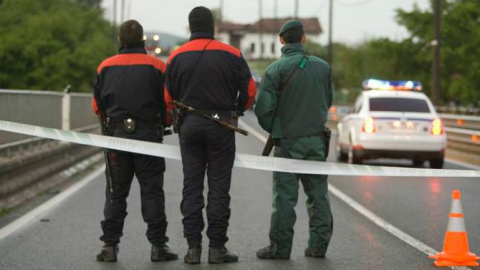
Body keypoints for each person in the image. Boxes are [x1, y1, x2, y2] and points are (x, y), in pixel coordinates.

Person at [164, 6, 257, 264]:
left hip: (190, 125)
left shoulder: (176, 56)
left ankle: (193, 249)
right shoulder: (232, 54)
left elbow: (167, 98)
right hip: (221, 124)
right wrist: (237, 109)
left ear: (191, 26)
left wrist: (175, 116)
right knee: (219, 189)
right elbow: (250, 91)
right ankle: (217, 249)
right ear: (212, 26)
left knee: (191, 188)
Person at [92, 20, 177, 262]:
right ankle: (158, 246)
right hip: (149, 137)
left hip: (117, 139)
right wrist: (165, 121)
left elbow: (97, 106)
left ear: (120, 41)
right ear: (143, 41)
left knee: (115, 192)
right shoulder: (158, 66)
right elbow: (168, 104)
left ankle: (109, 246)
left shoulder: (104, 67)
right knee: (152, 192)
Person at [254, 20, 334, 260]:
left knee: (285, 198)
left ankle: (280, 248)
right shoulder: (323, 67)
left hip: (288, 143)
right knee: (318, 195)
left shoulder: (275, 70)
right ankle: (318, 247)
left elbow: (262, 110)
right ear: (304, 39)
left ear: (281, 40)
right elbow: (327, 102)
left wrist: (277, 130)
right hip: (317, 141)